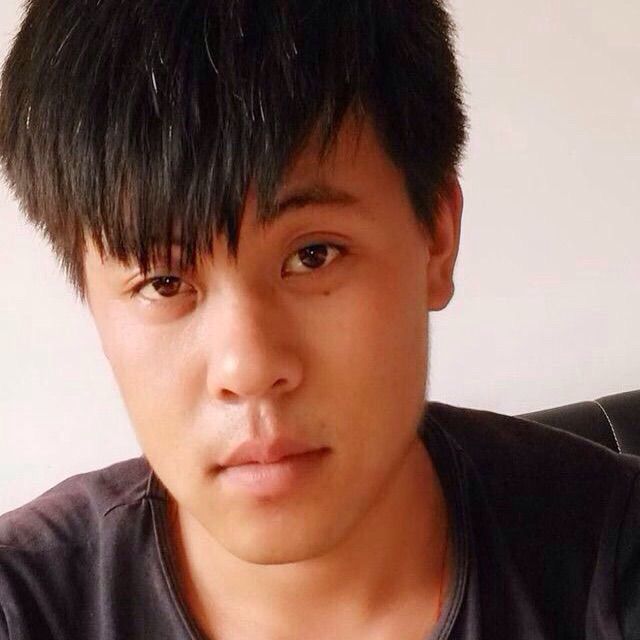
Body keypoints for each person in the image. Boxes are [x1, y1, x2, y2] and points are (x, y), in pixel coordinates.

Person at [0, 1, 638, 639]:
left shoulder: (608, 558)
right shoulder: (24, 609)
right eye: (164, 283)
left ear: (437, 239)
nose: (248, 369)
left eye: (313, 255)